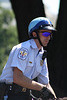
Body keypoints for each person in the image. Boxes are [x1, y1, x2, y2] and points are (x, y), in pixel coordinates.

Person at [0, 17, 57, 100]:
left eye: (50, 34)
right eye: (45, 34)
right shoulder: (23, 49)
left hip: (25, 95)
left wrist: (54, 98)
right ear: (34, 34)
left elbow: (46, 84)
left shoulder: (42, 54)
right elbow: (18, 78)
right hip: (9, 95)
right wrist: (42, 88)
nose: (48, 37)